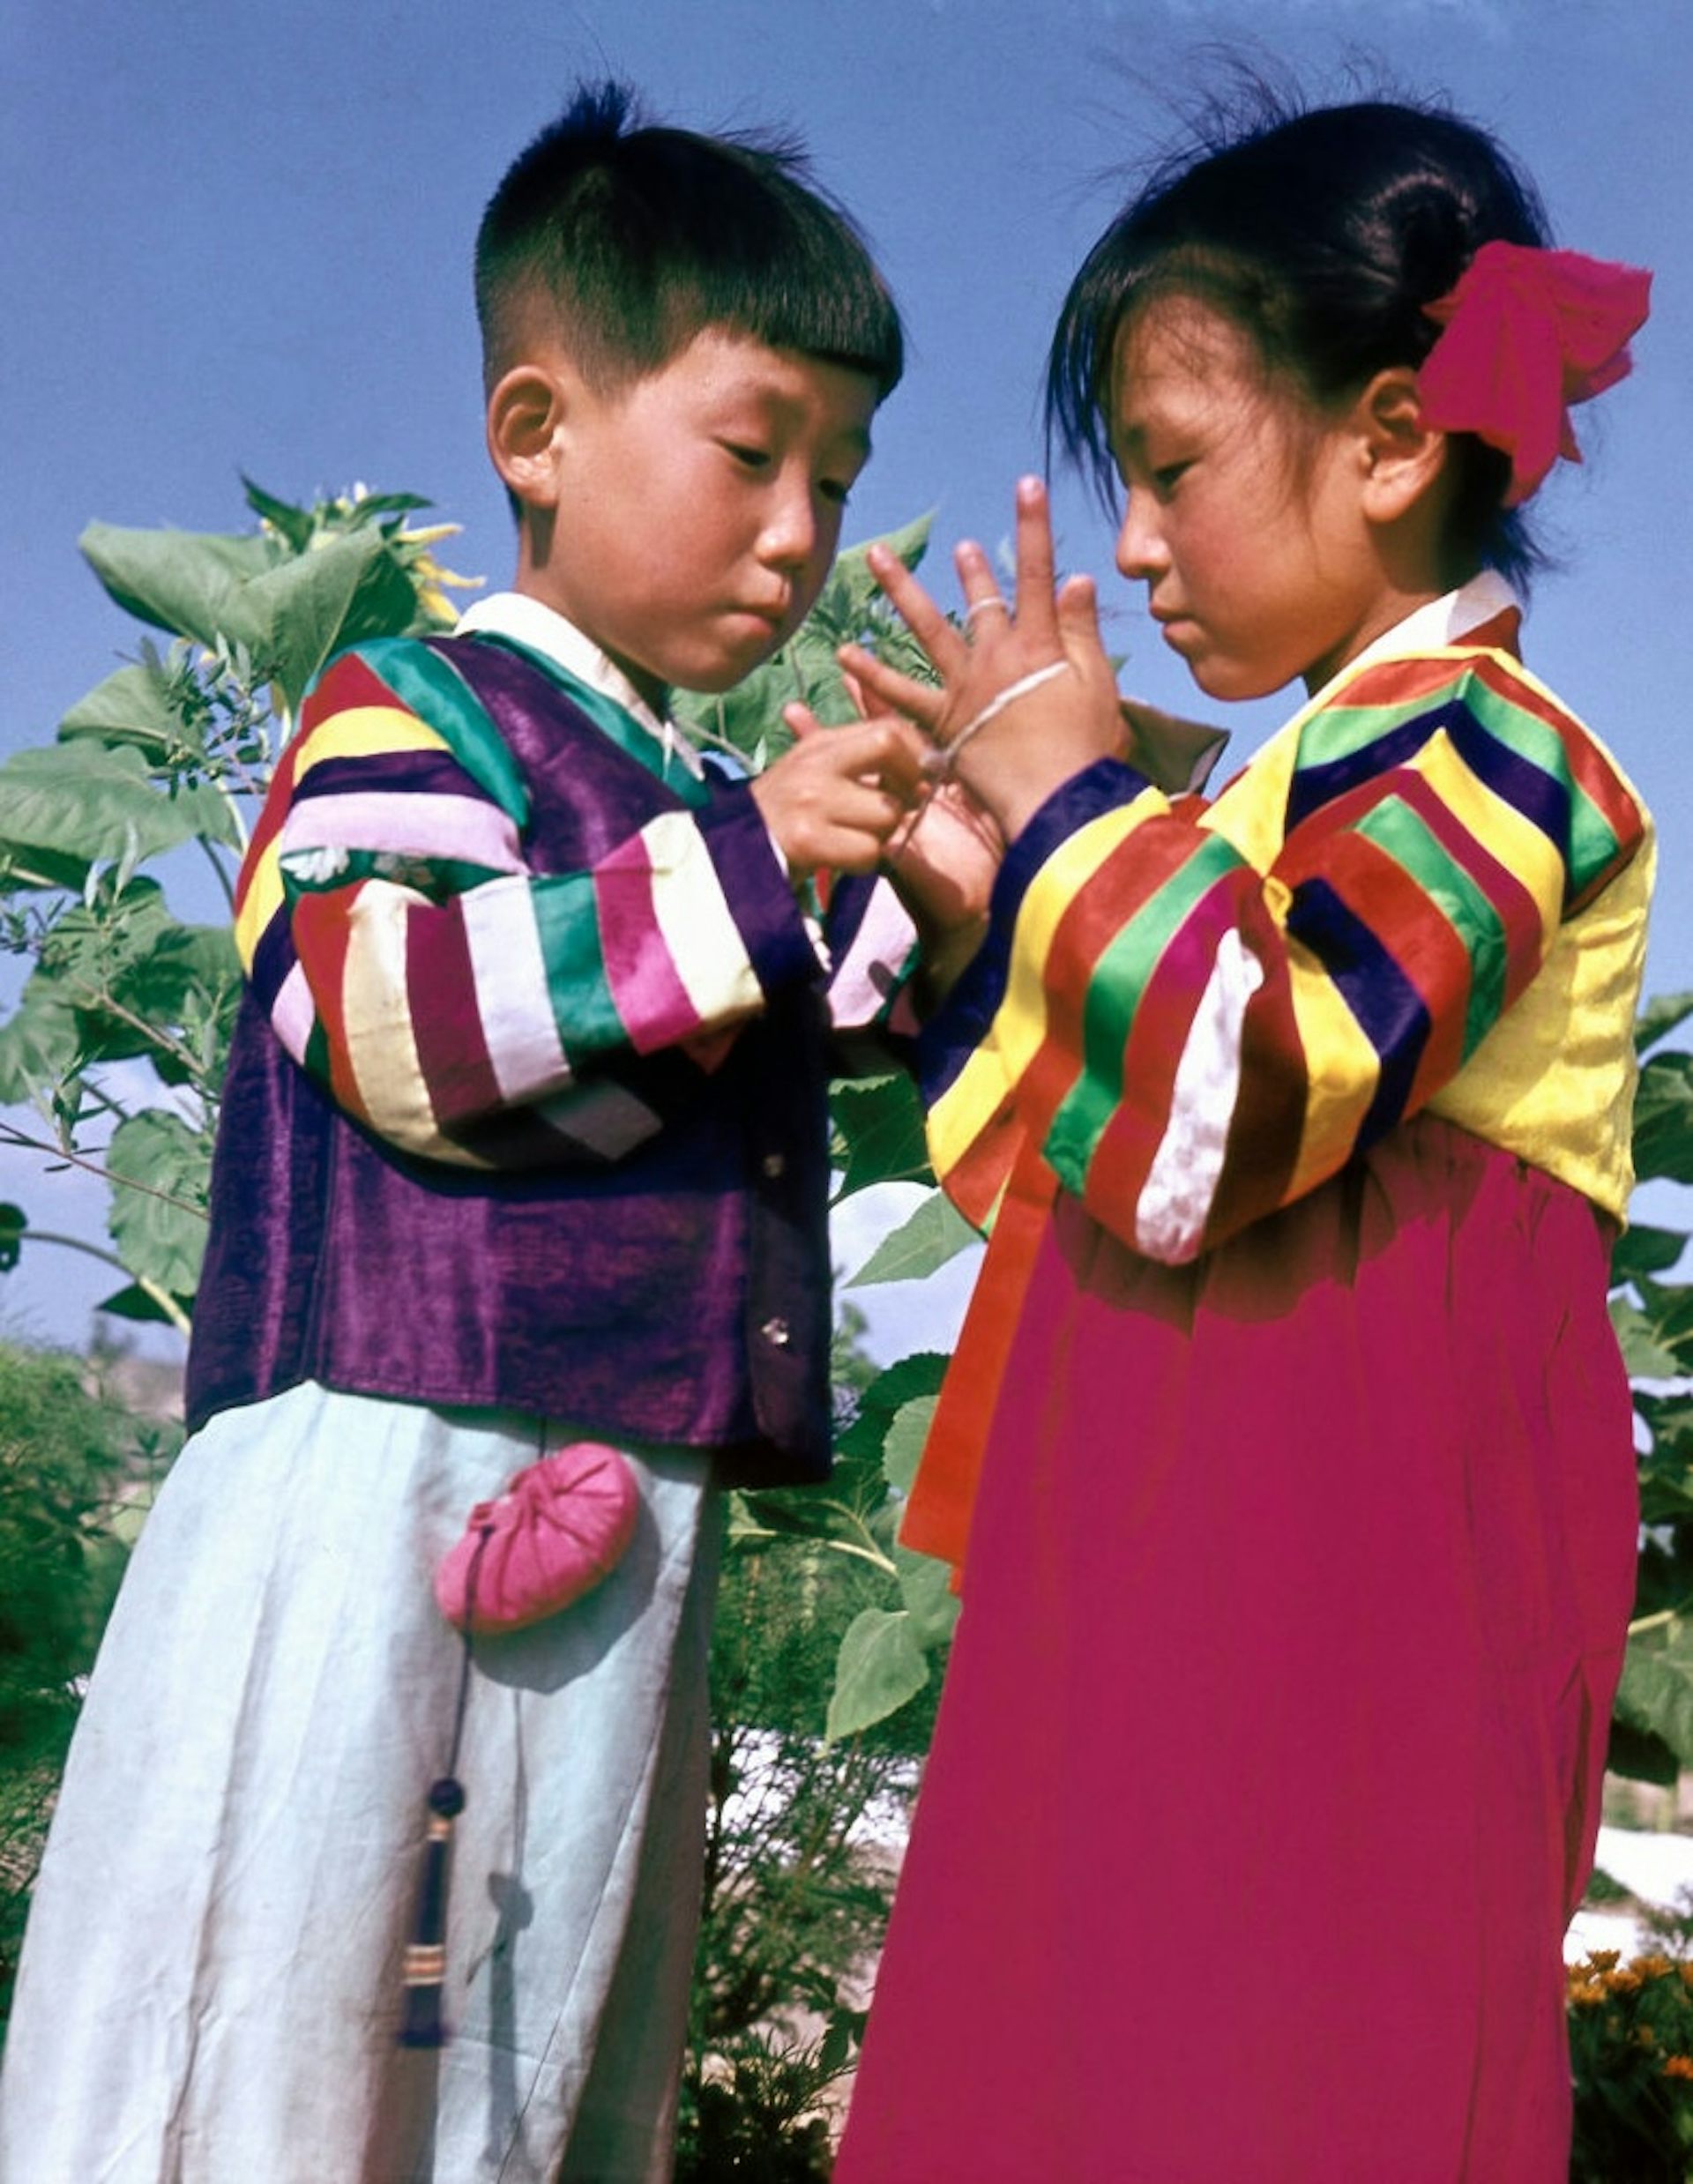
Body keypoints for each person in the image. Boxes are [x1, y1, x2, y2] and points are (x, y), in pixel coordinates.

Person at [0, 81, 933, 2184]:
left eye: (841, 475)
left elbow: (829, 1015)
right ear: (536, 434)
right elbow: (396, 1027)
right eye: (754, 449)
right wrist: (765, 877)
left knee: (528, 2041)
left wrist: (967, 853)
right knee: (284, 1999)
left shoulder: (703, 810)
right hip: (389, 1480)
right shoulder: (409, 713)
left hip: (624, 1504)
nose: (803, 530)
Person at [831, 95, 1654, 2182]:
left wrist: (1077, 802)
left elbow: (1231, 1108)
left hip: (1343, 1553)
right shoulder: (1256, 812)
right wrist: (978, 903)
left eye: (1176, 470)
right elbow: (1085, 1174)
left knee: (1288, 2057)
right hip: (1159, 1534)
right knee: (1084, 2049)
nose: (1131, 547)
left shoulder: (1507, 759)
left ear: (1391, 440)